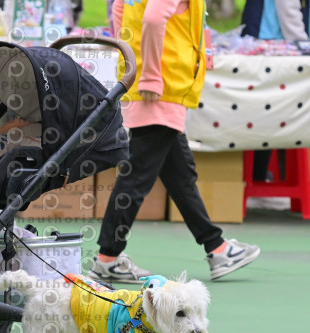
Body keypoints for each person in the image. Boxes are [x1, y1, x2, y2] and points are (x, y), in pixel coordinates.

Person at [88, 0, 260, 284]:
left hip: (150, 85)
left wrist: (136, 64)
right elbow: (154, 19)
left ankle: (216, 247)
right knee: (137, 178)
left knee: (180, 175)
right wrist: (152, 76)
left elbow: (118, 10)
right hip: (163, 88)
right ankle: (108, 257)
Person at [241, 0, 310, 183]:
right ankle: (260, 177)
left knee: (267, 114)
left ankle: (260, 175)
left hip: (269, 44)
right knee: (269, 116)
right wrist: (305, 48)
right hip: (274, 48)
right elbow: (289, 12)